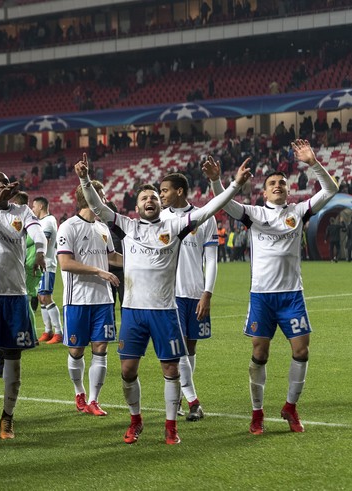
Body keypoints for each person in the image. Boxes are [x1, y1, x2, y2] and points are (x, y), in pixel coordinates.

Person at [75, 153, 250, 445]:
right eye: (144, 197)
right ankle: (136, 420)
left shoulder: (176, 226)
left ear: (160, 202)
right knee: (127, 371)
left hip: (164, 311)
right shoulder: (127, 227)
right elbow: (97, 206)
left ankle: (171, 426)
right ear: (137, 205)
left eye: (154, 196)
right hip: (132, 311)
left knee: (170, 369)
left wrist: (233, 185)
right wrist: (83, 178)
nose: (150, 200)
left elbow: (209, 209)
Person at [203, 139, 338, 435]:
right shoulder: (254, 214)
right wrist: (217, 180)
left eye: (282, 182)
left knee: (301, 351)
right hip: (262, 296)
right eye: (272, 183)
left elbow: (331, 190)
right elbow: (223, 202)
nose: (278, 185)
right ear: (264, 191)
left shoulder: (299, 211)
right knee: (260, 354)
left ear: (288, 189)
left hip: (292, 295)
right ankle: (257, 412)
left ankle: (290, 407)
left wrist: (313, 163)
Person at [0, 172, 46, 440]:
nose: (2, 186)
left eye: (5, 182)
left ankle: (8, 417)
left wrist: (39, 250)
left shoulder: (22, 210)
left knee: (13, 356)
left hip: (16, 293)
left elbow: (37, 231)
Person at [57, 181, 122, 416]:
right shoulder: (68, 227)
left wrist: (141, 261)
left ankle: (94, 400)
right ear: (88, 197)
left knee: (101, 348)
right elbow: (65, 263)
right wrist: (99, 271)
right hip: (77, 300)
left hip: (103, 299)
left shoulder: (103, 227)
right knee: (76, 351)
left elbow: (112, 256)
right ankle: (79, 391)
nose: (104, 199)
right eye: (101, 195)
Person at [159, 172, 219, 422]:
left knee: (190, 348)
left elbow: (212, 259)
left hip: (195, 293)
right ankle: (194, 401)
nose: (161, 195)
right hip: (169, 294)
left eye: (164, 190)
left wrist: (207, 293)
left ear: (180, 191)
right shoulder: (160, 218)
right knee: (180, 350)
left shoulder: (205, 218)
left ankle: (183, 395)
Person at [31, 196, 62, 344]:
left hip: (47, 264)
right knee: (41, 297)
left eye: (34, 206)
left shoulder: (48, 221)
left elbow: (46, 242)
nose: (33, 209)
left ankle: (58, 332)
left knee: (46, 297)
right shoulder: (41, 221)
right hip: (41, 264)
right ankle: (48, 331)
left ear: (41, 206)